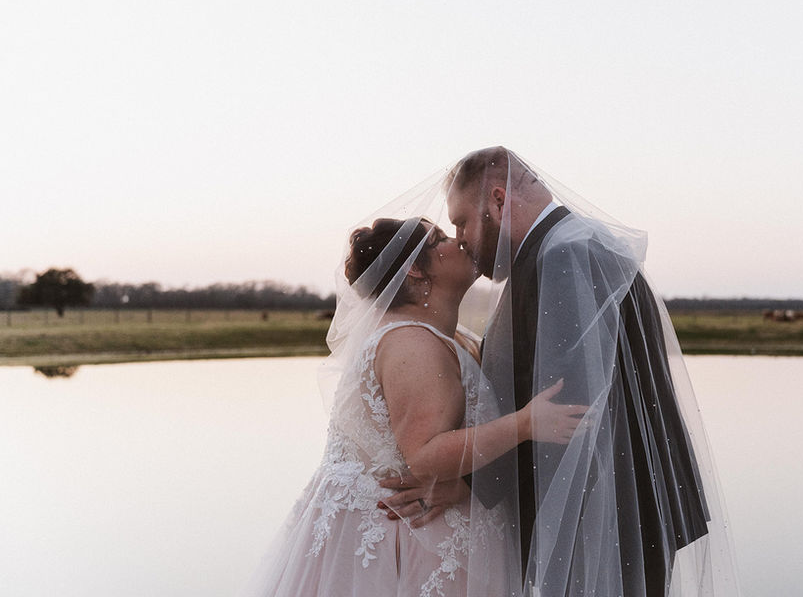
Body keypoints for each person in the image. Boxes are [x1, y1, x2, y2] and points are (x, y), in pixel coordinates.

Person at [383, 147, 740, 596]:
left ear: (497, 201)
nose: (461, 240)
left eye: (462, 222)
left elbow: (568, 407)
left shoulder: (565, 255)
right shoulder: (563, 247)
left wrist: (466, 486)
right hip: (609, 510)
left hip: (605, 515)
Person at [240, 216, 587, 597]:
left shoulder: (429, 335)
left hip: (407, 528)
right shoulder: (412, 345)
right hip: (408, 544)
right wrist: (525, 424)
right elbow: (423, 454)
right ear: (416, 270)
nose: (459, 241)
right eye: (440, 240)